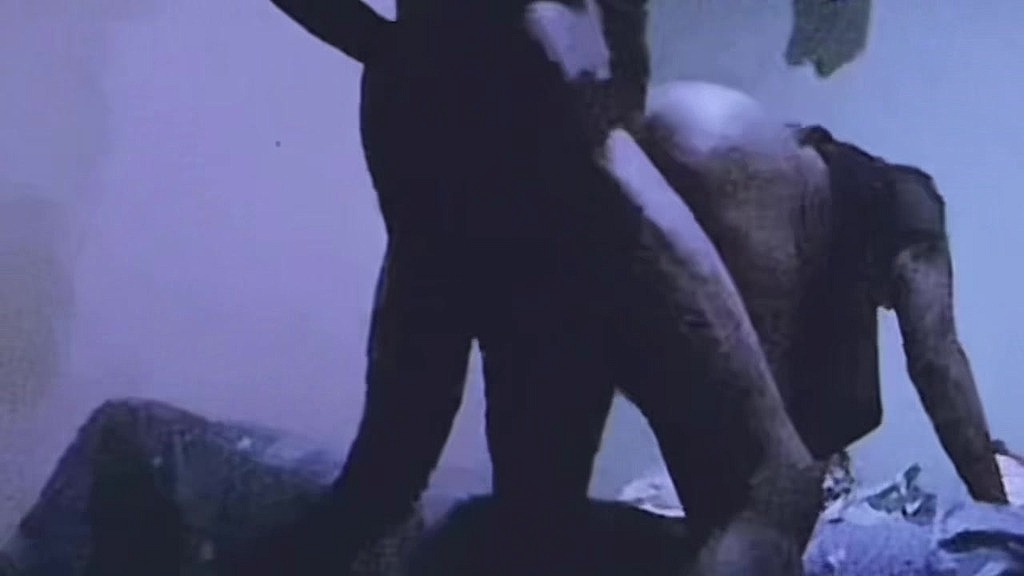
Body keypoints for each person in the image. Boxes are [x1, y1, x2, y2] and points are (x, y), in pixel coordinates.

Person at [242, 2, 824, 575]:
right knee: (494, 487)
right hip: (513, 126)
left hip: (478, 117)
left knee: (422, 475)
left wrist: (388, 47)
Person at [636, 80, 1007, 504]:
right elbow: (936, 359)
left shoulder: (833, 214)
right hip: (710, 151)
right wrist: (996, 503)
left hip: (657, 139)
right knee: (772, 460)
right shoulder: (910, 211)